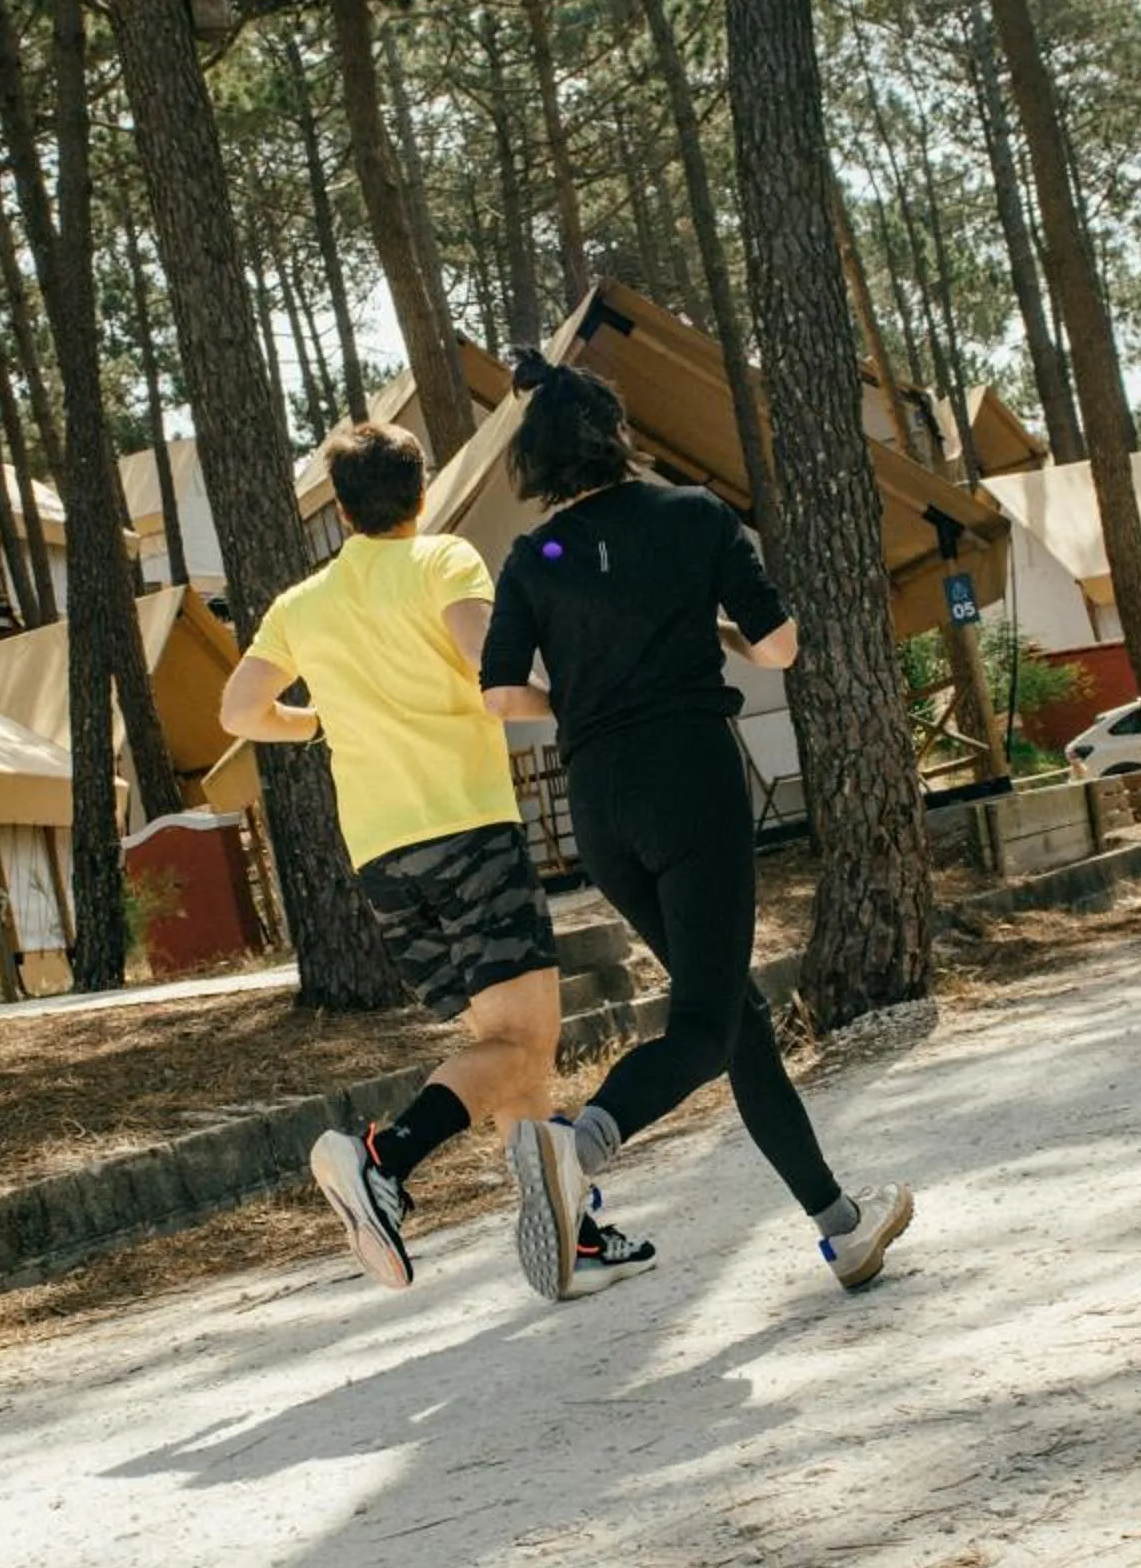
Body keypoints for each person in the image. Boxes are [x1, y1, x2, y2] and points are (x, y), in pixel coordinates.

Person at [478, 350, 913, 1301]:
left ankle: (842, 1228)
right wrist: (707, 633)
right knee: (708, 1023)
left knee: (737, 1020)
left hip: (599, 798)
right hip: (690, 779)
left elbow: (504, 695)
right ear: (616, 435)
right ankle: (576, 1143)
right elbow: (779, 646)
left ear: (540, 458)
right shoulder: (693, 515)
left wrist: (588, 700)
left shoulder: (533, 556)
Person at [218, 420, 655, 1297]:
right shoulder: (444, 561)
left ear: (339, 511)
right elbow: (487, 669)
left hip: (384, 857)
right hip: (468, 831)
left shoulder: (299, 606)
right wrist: (576, 697)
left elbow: (238, 712)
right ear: (421, 493)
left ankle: (571, 1231)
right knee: (527, 1044)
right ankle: (385, 1156)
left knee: (506, 1049)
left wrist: (315, 721)